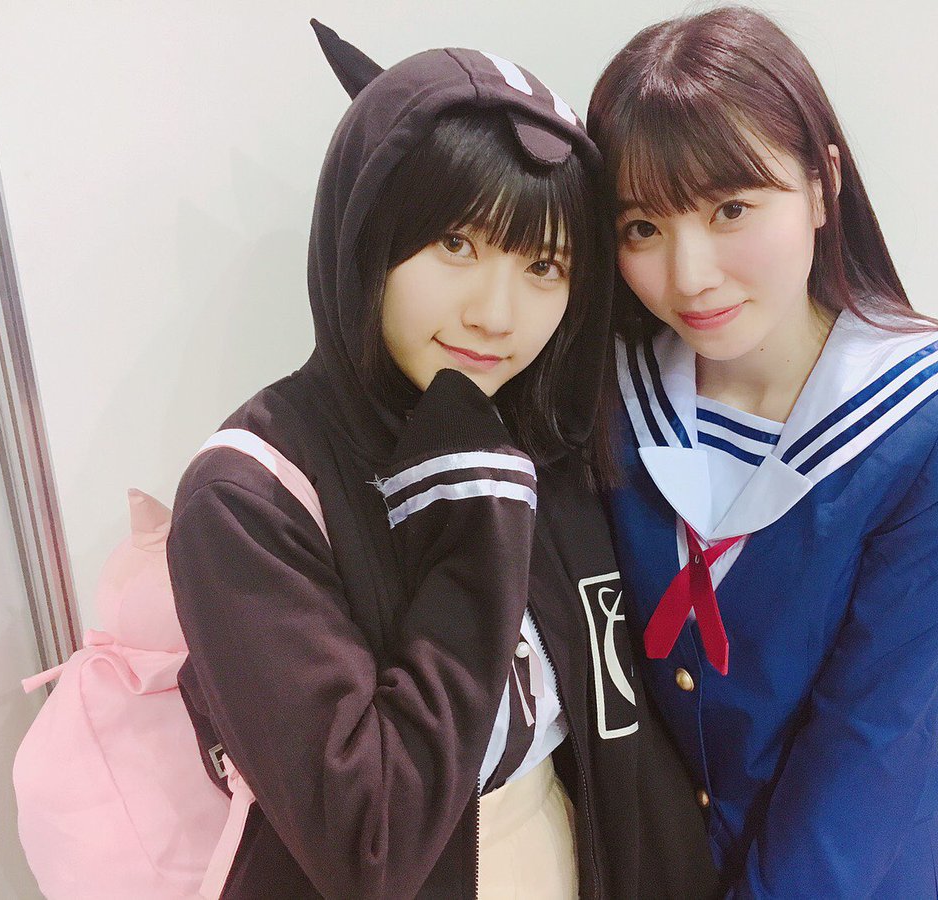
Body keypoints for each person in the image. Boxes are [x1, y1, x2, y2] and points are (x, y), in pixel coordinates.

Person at [167, 22, 717, 899]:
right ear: (365, 235)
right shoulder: (249, 497)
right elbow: (370, 842)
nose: (496, 314)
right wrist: (473, 516)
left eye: (544, 265)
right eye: (456, 245)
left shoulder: (544, 434)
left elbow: (613, 724)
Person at [587, 7, 938, 898]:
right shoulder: (609, 391)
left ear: (823, 186)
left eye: (731, 208)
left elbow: (877, 737)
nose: (689, 274)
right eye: (642, 228)